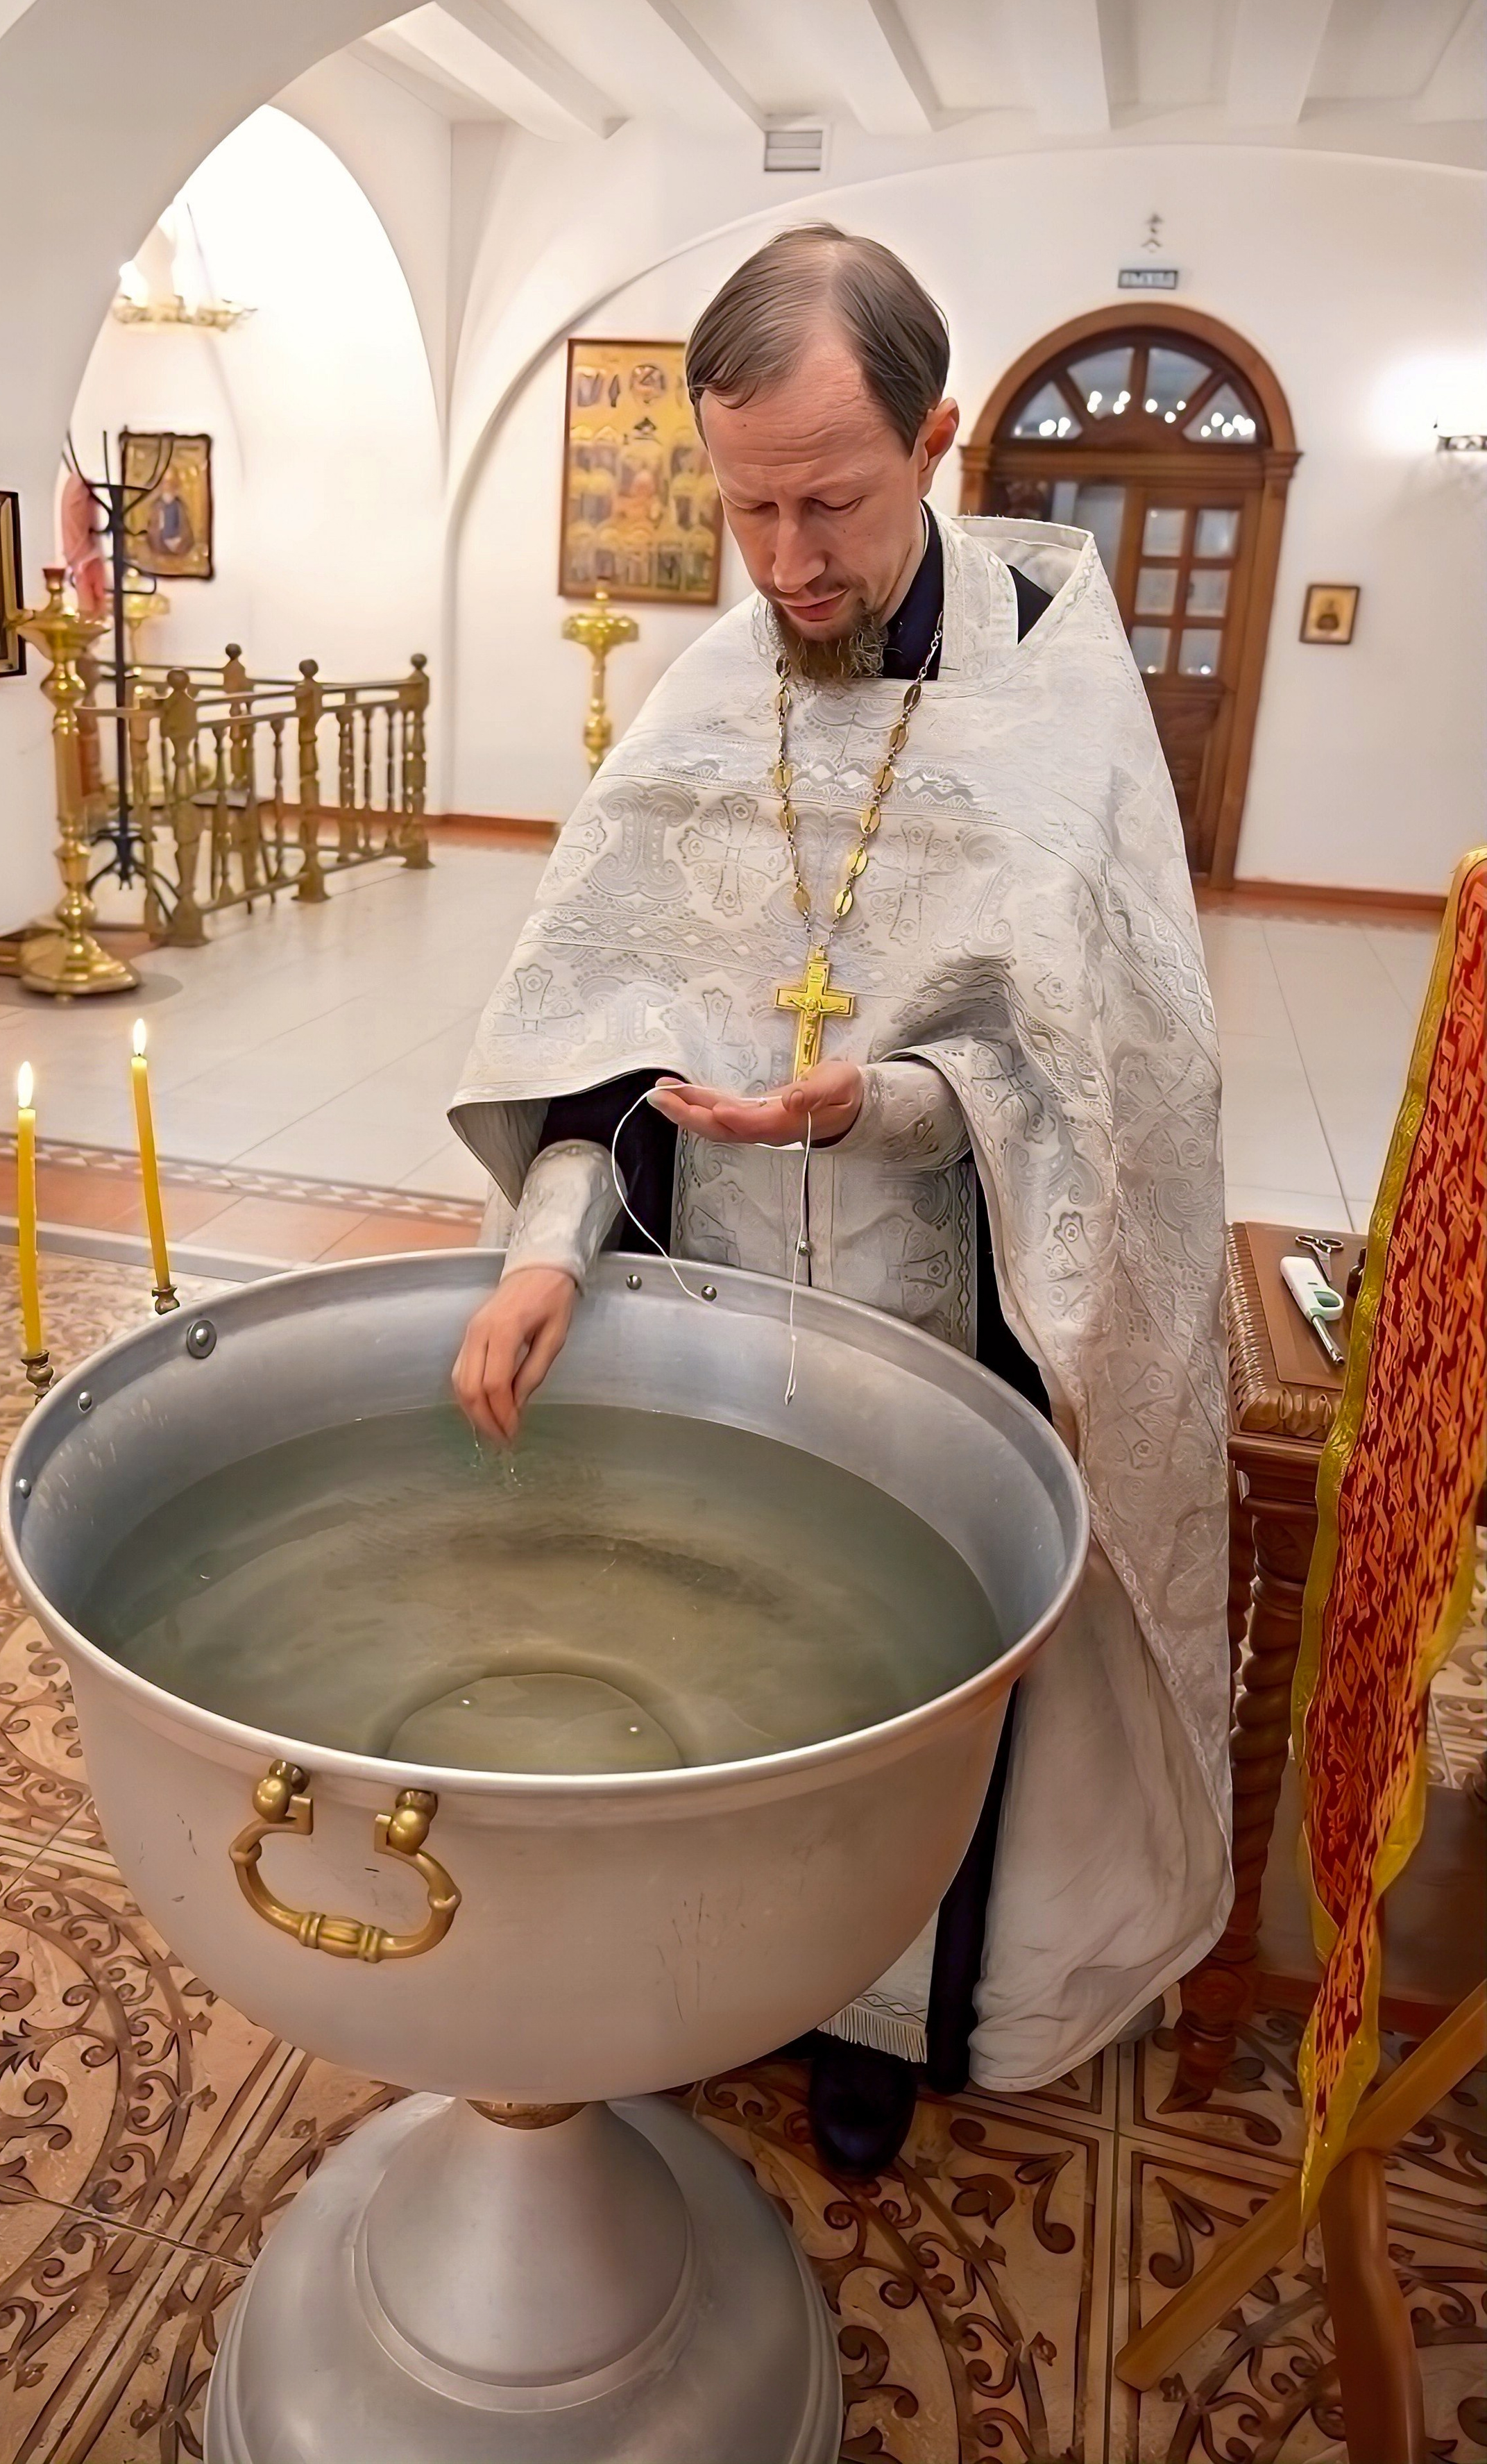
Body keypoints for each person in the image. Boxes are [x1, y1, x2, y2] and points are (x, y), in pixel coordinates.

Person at [448, 224, 1230, 2175]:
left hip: (941, 1316)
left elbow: (1106, 1076)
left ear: (941, 437)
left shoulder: (1058, 701)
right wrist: (550, 1248)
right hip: (709, 1308)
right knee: (709, 1654)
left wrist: (873, 1102)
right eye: (747, 506)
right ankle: (708, 1969)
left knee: (908, 1681)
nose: (788, 559)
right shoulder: (703, 705)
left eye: (832, 500)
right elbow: (606, 1048)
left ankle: (881, 2014)